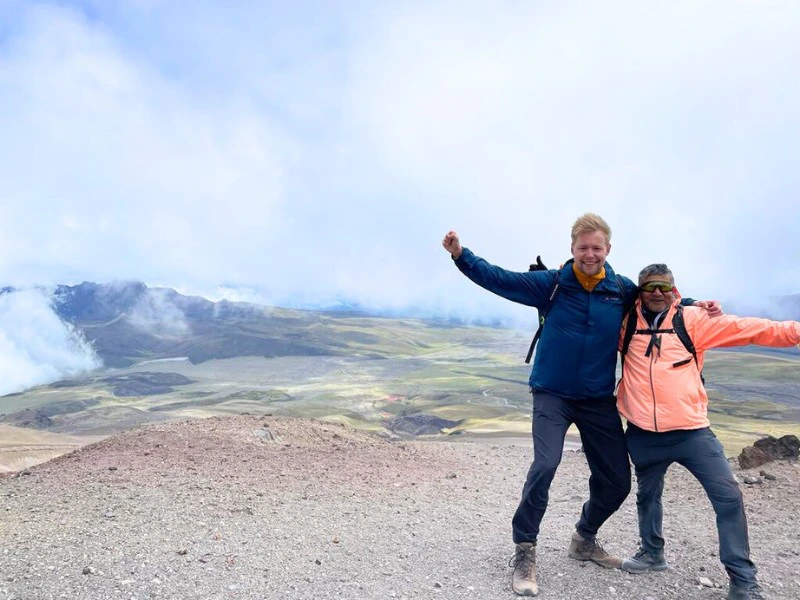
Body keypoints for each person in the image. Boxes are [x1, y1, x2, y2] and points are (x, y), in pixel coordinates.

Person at [441, 214, 721, 597]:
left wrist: (692, 303)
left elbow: (654, 300)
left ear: (608, 250)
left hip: (596, 399)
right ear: (572, 249)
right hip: (552, 395)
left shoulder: (619, 289)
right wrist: (461, 255)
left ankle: (584, 538)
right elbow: (499, 279)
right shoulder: (552, 285)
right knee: (545, 464)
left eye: (597, 248)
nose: (590, 254)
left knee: (618, 482)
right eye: (583, 247)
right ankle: (525, 549)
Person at [617, 263, 800, 600]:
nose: (656, 292)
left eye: (663, 286)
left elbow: (754, 329)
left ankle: (743, 582)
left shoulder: (693, 320)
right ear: (639, 291)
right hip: (642, 432)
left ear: (674, 290)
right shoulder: (625, 324)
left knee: (728, 497)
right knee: (647, 494)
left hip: (692, 433)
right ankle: (652, 552)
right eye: (649, 286)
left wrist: (795, 331)